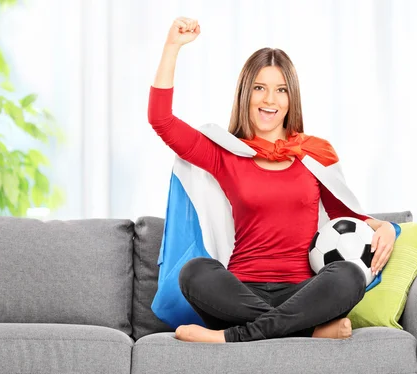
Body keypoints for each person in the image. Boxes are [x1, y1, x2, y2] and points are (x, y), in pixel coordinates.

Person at [148, 17, 396, 343]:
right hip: (238, 294)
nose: (270, 100)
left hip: (303, 293)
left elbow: (348, 216)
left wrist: (386, 228)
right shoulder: (226, 153)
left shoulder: (313, 154)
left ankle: (230, 338)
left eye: (280, 90)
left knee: (349, 274)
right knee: (194, 272)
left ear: (291, 99)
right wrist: (172, 47)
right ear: (245, 94)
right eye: (259, 89)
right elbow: (161, 120)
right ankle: (305, 330)